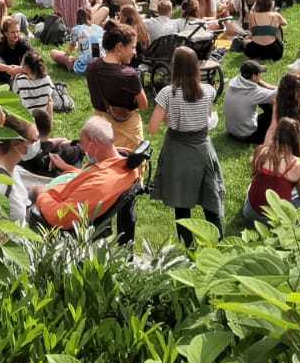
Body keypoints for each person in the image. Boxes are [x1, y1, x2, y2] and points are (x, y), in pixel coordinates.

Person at [147, 44, 225, 239]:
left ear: (175, 66)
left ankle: (188, 247)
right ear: (196, 66)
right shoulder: (208, 90)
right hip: (202, 148)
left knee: (182, 204)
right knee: (210, 198)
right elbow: (207, 117)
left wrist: (168, 118)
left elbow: (153, 128)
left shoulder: (167, 93)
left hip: (177, 150)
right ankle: (218, 242)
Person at [33, 115, 144, 243]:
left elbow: (61, 216)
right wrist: (68, 168)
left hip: (52, 211)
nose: (83, 149)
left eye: (83, 144)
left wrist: (40, 195)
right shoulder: (124, 163)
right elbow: (94, 175)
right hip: (63, 192)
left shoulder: (102, 184)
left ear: (94, 144)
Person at [86, 21, 148, 149]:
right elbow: (144, 105)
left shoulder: (92, 67)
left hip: (100, 128)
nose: (135, 52)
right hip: (126, 132)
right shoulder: (129, 75)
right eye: (133, 47)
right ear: (120, 47)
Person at [244, 115, 300, 220]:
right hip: (275, 219)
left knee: (252, 185)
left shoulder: (261, 151)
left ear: (276, 134)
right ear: (296, 138)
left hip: (250, 213)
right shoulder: (298, 165)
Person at [223, 57, 276, 141]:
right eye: (259, 74)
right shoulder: (254, 92)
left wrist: (261, 83)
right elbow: (278, 93)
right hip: (246, 135)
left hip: (232, 130)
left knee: (264, 100)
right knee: (274, 105)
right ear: (254, 76)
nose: (260, 76)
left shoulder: (234, 83)